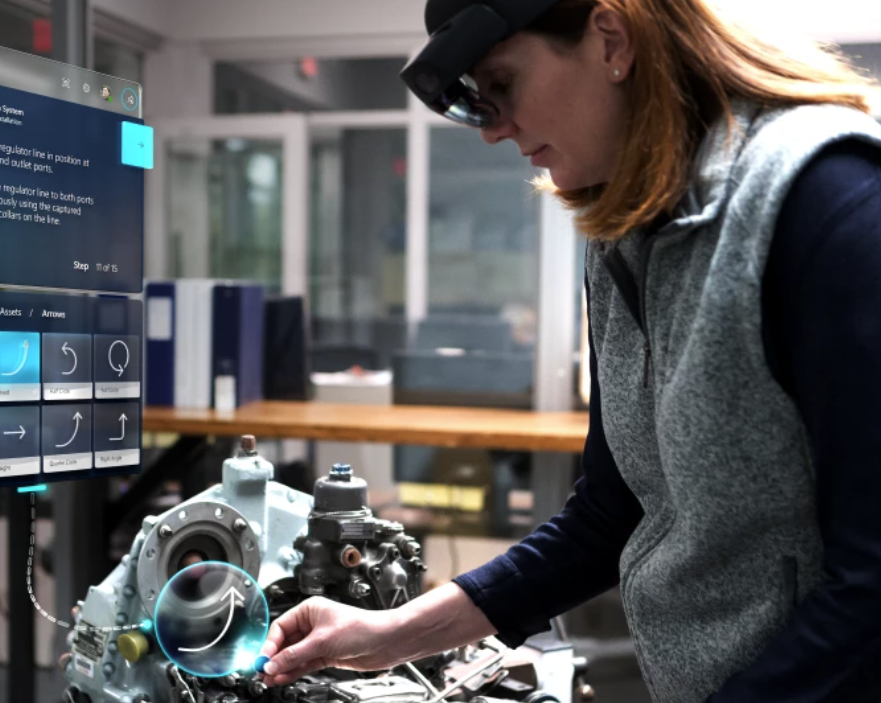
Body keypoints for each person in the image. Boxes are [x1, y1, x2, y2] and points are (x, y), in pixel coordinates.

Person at [258, 1, 881, 702]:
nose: (493, 129)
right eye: (476, 104)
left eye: (503, 83)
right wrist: (390, 632)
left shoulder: (832, 202)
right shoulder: (626, 233)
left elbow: (872, 588)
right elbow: (610, 516)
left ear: (611, 40)